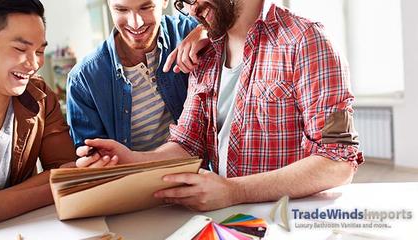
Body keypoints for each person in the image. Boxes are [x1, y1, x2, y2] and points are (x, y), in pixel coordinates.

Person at [76, 0, 363, 211]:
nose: (190, 10)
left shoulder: (308, 42)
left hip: (286, 219)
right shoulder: (206, 54)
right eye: (183, 2)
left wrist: (234, 191)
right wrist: (132, 159)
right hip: (229, 221)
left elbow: (339, 162)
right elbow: (187, 144)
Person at [0, 0, 76, 232]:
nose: (34, 64)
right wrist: (49, 187)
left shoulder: (41, 96)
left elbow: (69, 173)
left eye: (40, 51)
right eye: (20, 49)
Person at [66, 0, 208, 157]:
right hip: (131, 179)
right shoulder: (82, 80)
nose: (136, 23)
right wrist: (94, 160)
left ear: (165, 2)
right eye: (121, 9)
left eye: (146, 7)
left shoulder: (189, 31)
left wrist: (206, 30)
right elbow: (91, 158)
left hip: (198, 174)